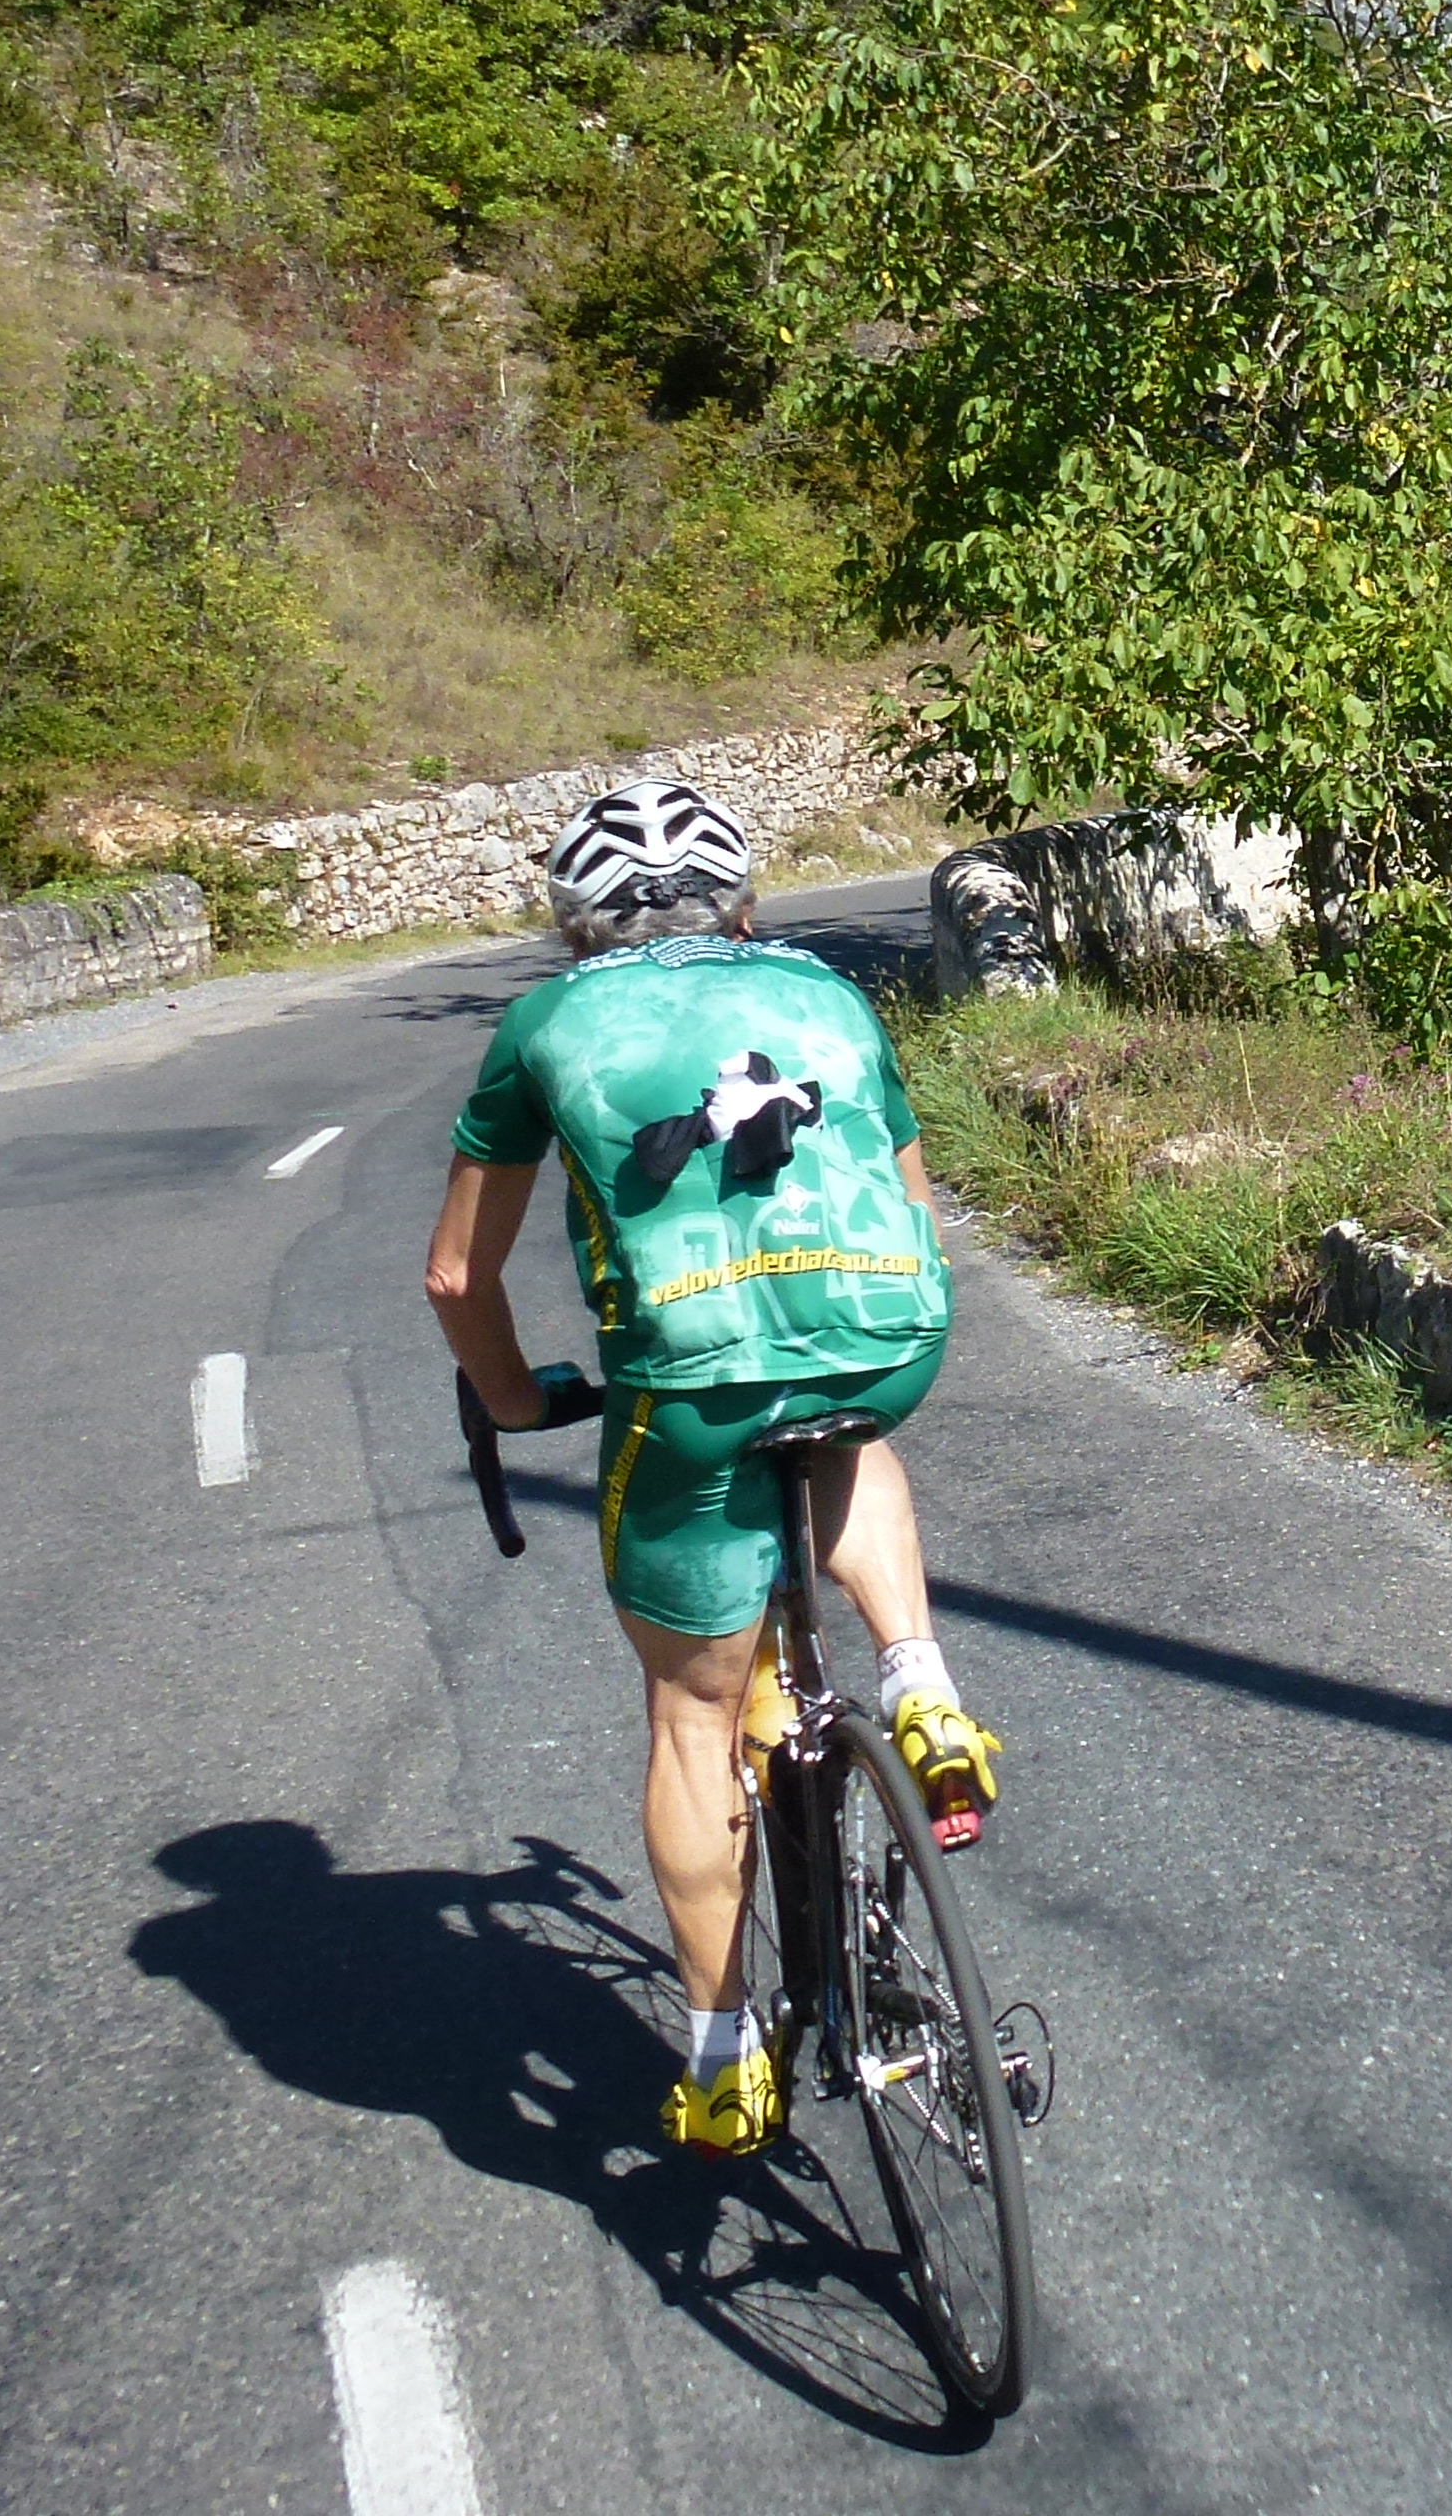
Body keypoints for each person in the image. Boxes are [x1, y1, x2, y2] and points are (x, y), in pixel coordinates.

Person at [422, 778, 998, 2159]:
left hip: (686, 1381)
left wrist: (511, 1395)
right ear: (743, 902)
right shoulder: (826, 996)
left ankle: (726, 2049)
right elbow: (915, 1204)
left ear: (572, 927)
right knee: (847, 1431)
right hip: (886, 1332)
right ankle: (920, 1683)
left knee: (693, 1721)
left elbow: (457, 1272)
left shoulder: (544, 1025)